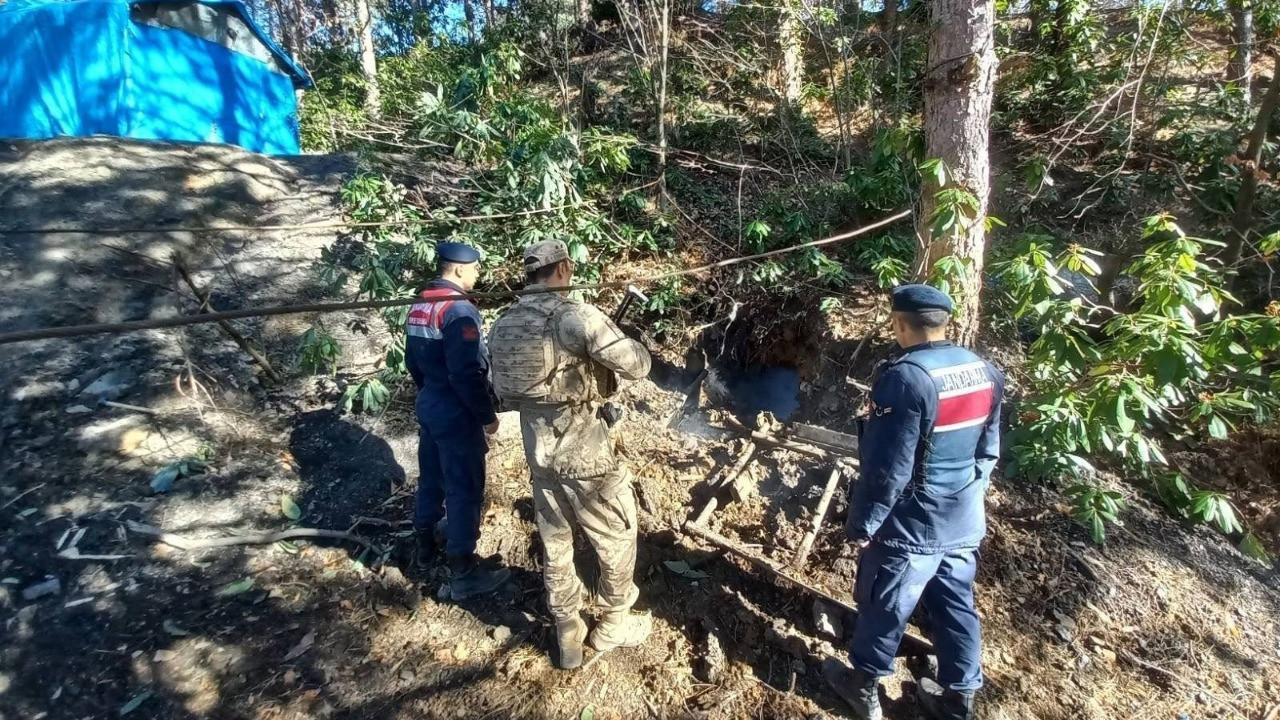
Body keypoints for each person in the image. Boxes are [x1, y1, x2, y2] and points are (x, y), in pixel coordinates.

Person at [823, 284, 1004, 720]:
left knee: (886, 603)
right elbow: (989, 450)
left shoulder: (906, 378)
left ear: (899, 322)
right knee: (956, 605)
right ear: (944, 322)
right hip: (962, 517)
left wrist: (863, 524)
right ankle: (959, 698)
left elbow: (889, 468)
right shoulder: (984, 369)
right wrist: (966, 498)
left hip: (911, 523)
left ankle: (863, 686)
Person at [487, 240, 653, 670]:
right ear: (563, 268)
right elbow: (636, 365)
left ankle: (568, 633)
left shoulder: (503, 325)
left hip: (537, 452)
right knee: (616, 535)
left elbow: (502, 389)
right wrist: (629, 344)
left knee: (556, 543)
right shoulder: (574, 316)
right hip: (586, 454)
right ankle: (614, 624)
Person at [405, 241, 510, 600]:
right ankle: (463, 571)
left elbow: (412, 363)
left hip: (430, 403)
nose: (477, 275)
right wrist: (487, 416)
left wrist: (429, 393)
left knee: (431, 477)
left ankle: (424, 546)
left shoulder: (421, 303)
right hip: (455, 410)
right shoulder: (459, 311)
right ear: (460, 269)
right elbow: (466, 372)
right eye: (476, 269)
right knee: (464, 487)